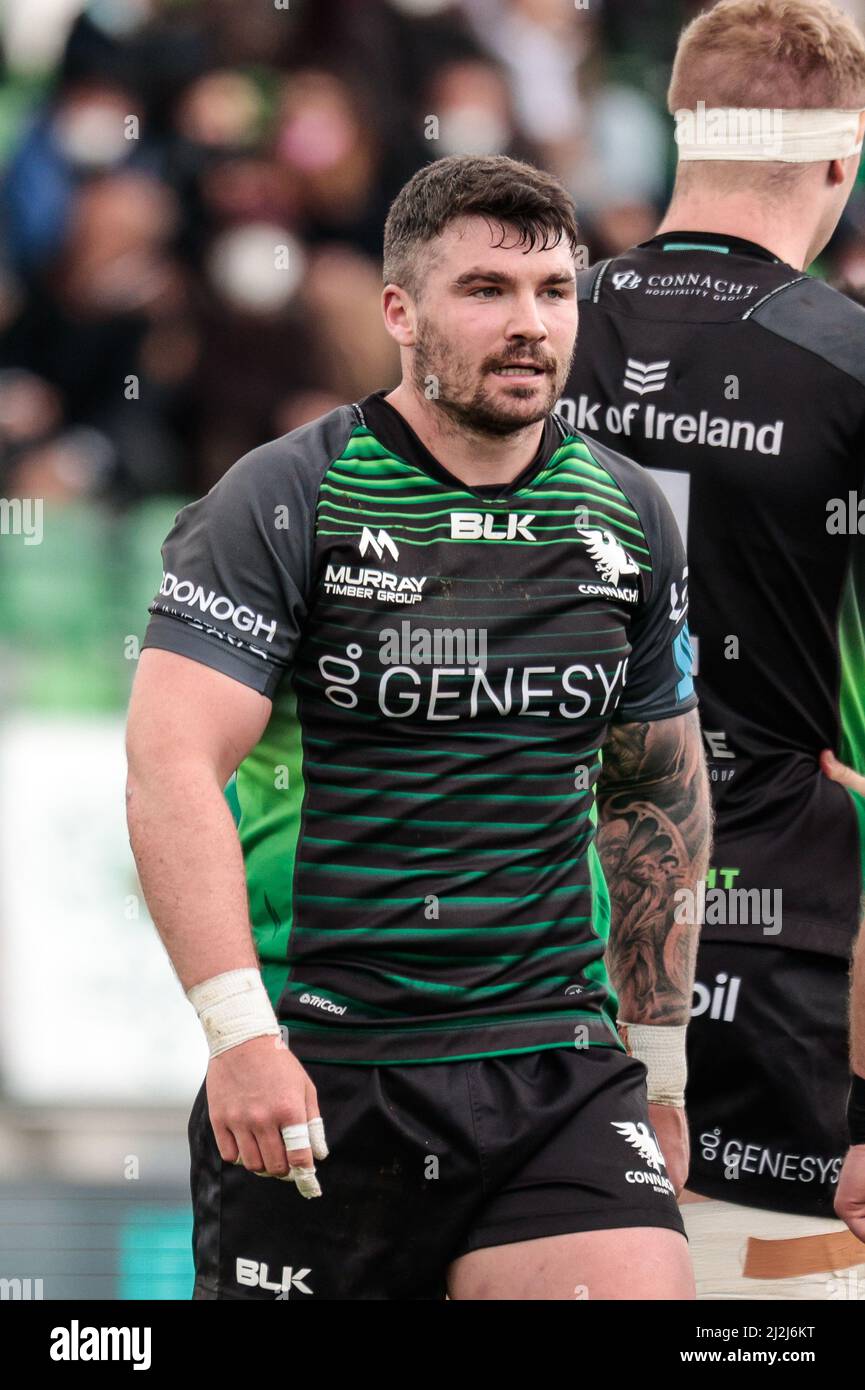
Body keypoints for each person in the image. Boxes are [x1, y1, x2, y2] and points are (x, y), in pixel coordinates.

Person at [125, 153, 710, 1301]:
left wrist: (663, 1066)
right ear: (400, 311)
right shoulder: (288, 495)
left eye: (553, 290)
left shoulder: (626, 511)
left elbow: (655, 794)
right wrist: (239, 1034)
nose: (531, 323)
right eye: (486, 290)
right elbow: (170, 762)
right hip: (328, 1064)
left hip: (556, 1060)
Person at [562, 0, 865, 1298]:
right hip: (777, 972)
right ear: (841, 163)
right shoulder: (851, 363)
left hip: (522, 955)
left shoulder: (519, 331)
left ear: (682, 127)